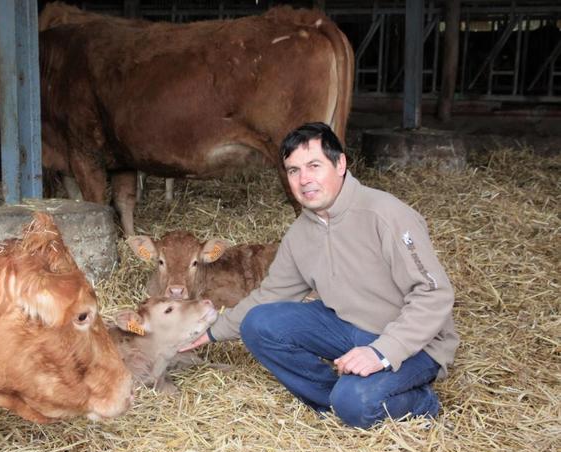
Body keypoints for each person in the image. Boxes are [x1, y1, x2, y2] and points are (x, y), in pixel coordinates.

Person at [182, 122, 458, 429]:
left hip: (413, 343)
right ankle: (338, 399)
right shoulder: (301, 232)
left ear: (340, 164)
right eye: (293, 170)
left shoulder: (386, 215)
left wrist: (382, 351)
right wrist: (210, 331)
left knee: (357, 403)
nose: (304, 180)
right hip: (348, 329)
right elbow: (270, 295)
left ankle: (418, 403)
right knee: (259, 323)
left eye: (314, 166)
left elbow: (434, 293)